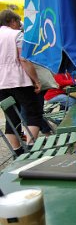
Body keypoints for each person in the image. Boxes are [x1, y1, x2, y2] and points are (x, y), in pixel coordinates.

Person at [0, 10, 42, 156]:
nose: (19, 26)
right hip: (19, 80)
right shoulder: (17, 35)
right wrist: (36, 80)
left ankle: (17, 152)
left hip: (1, 83)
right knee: (33, 112)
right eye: (18, 22)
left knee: (11, 117)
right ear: (12, 21)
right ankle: (31, 148)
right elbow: (23, 59)